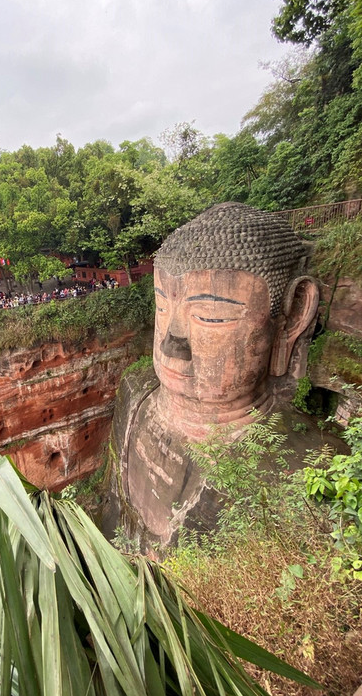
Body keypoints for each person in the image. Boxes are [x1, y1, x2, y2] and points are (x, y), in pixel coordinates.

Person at [116, 202, 319, 543]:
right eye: (162, 307)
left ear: (293, 316)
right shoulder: (135, 394)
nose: (171, 343)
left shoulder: (303, 478)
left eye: (210, 316)